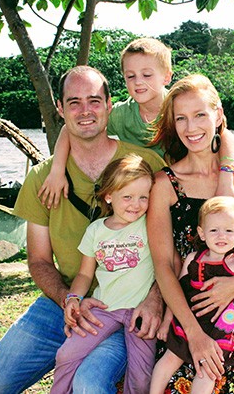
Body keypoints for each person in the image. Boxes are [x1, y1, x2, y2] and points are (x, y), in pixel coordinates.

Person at [0, 66, 166, 394]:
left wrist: (156, 298)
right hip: (63, 304)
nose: (85, 111)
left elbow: (173, 241)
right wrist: (67, 299)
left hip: (127, 303)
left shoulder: (144, 164)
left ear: (109, 104)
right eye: (74, 102)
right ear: (60, 109)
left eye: (94, 101)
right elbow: (40, 261)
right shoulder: (42, 178)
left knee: (90, 382)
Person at [147, 74, 234, 393]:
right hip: (183, 319)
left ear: (218, 115)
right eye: (181, 118)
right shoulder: (164, 185)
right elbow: (163, 265)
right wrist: (193, 333)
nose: (191, 128)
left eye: (200, 115)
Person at [38, 37, 234, 210]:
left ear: (167, 76)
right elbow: (71, 128)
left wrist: (226, 177)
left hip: (182, 188)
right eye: (130, 76)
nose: (138, 82)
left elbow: (224, 134)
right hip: (142, 194)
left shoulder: (179, 107)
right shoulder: (121, 114)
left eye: (147, 75)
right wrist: (57, 171)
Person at [51, 154, 157, 394]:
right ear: (109, 196)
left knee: (141, 378)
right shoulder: (96, 230)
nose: (136, 204)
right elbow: (85, 275)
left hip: (139, 314)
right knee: (65, 354)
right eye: (127, 197)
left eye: (143, 197)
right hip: (104, 311)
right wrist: (72, 299)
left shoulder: (150, 223)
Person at [150, 196, 234, 394]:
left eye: (229, 231)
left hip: (223, 328)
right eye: (214, 230)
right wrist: (166, 321)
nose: (221, 236)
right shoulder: (193, 260)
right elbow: (177, 292)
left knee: (207, 370)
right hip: (192, 322)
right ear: (202, 233)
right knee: (168, 359)